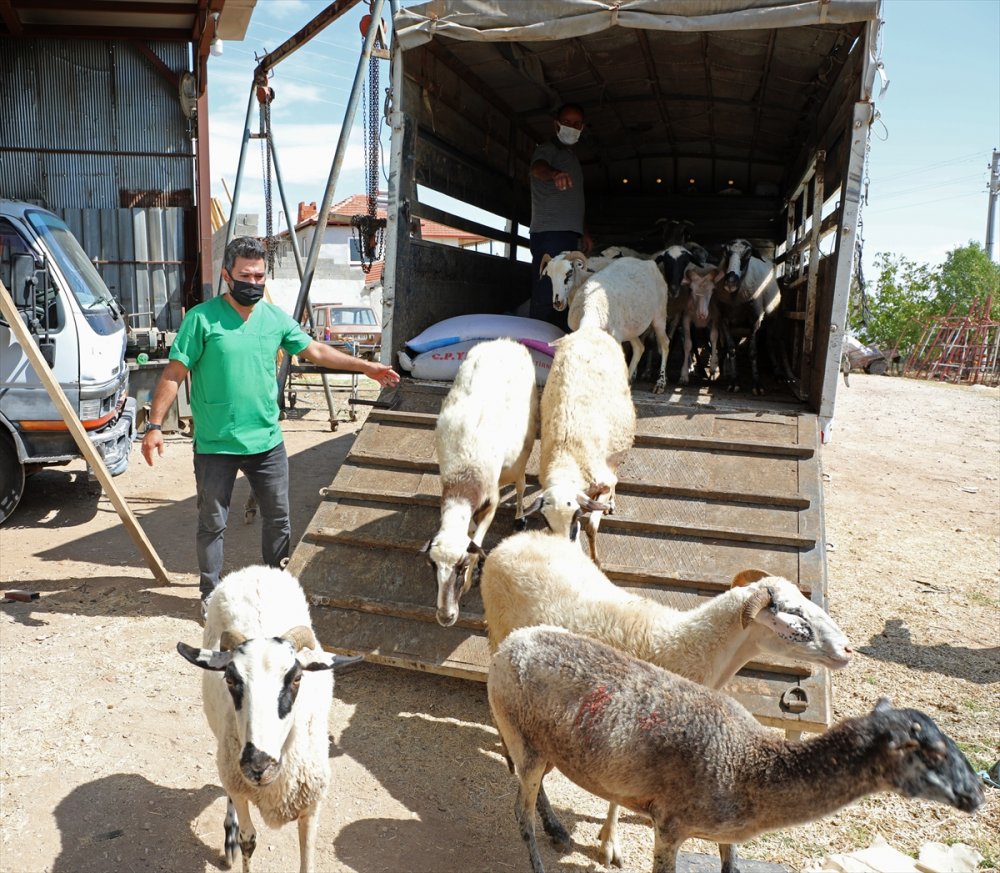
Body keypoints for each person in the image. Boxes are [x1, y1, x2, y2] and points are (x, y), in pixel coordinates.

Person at [141, 236, 399, 605]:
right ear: (228, 275)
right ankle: (210, 594)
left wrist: (367, 366)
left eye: (260, 276)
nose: (254, 283)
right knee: (212, 524)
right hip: (216, 442)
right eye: (246, 275)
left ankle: (276, 591)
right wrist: (153, 426)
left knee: (279, 520)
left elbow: (316, 350)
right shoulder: (201, 319)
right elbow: (174, 373)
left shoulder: (275, 318)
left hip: (267, 442)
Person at [528, 102, 593, 329]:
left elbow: (575, 202)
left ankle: (556, 344)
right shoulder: (548, 149)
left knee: (564, 290)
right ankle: (534, 345)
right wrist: (554, 173)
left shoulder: (572, 158)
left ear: (582, 128)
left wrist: (584, 233)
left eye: (576, 124)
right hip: (549, 234)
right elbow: (537, 167)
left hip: (568, 235)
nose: (571, 127)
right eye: (566, 122)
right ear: (556, 125)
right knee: (546, 290)